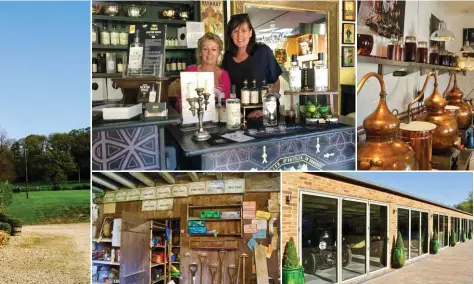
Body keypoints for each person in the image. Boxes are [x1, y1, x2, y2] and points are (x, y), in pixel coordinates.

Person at [222, 13, 282, 118]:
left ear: (250, 33)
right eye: (235, 31)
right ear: (230, 35)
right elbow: (225, 87)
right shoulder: (227, 56)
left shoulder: (263, 51)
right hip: (236, 115)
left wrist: (267, 108)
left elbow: (275, 82)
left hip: (262, 114)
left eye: (243, 31)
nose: (239, 36)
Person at [176, 32, 231, 112]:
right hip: (195, 119)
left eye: (214, 49)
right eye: (205, 49)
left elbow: (227, 102)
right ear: (200, 53)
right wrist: (182, 105)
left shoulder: (224, 75)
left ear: (219, 53)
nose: (209, 53)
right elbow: (180, 102)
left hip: (218, 120)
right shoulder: (191, 71)